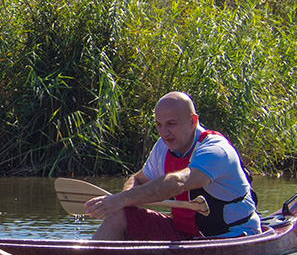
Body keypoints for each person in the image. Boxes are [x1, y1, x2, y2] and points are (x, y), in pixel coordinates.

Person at [84, 91, 260, 240]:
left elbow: (179, 182)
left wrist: (124, 199)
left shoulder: (216, 150)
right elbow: (138, 179)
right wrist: (126, 199)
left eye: (171, 124)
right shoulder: (163, 147)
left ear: (193, 121)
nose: (164, 133)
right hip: (185, 235)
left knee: (123, 204)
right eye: (159, 125)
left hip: (231, 236)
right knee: (120, 215)